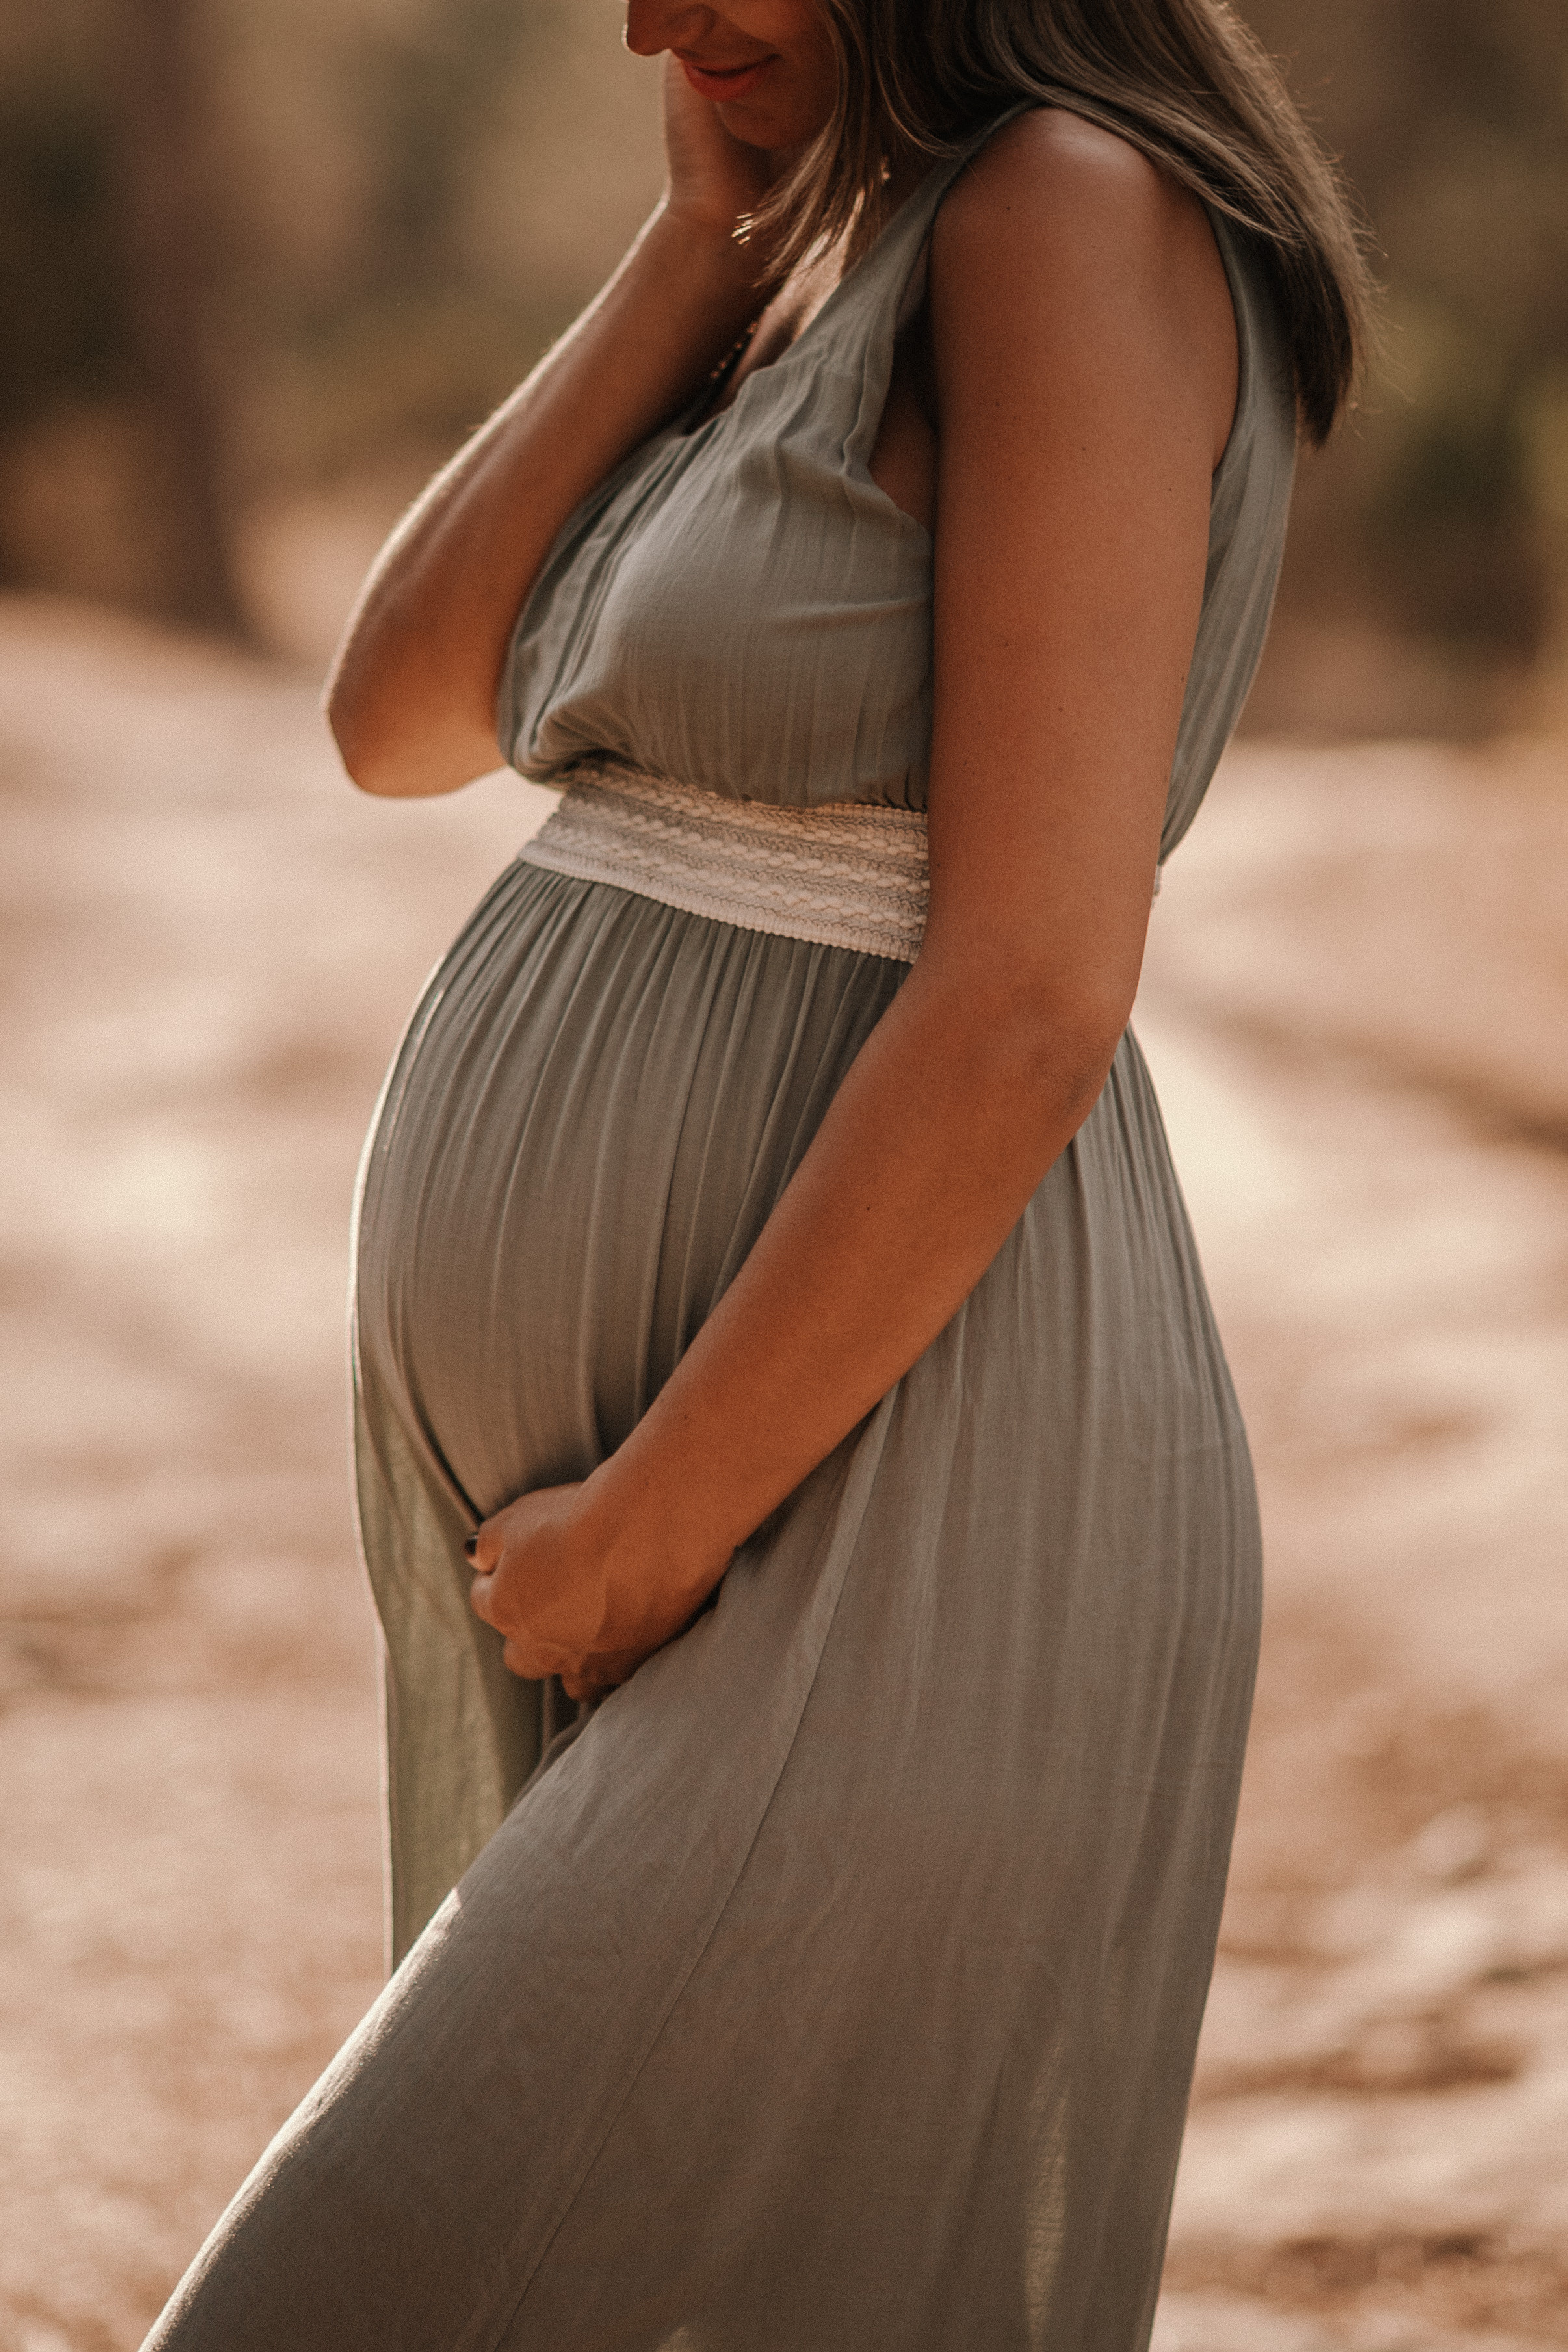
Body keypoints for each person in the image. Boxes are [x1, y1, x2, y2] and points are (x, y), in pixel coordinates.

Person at [143, 2, 1370, 2345]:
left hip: (881, 1487)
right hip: (699, 1513)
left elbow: (1031, 988)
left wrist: (658, 1517)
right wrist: (697, 246)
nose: (640, 19)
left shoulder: (1065, 215)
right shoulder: (823, 253)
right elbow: (396, 710)